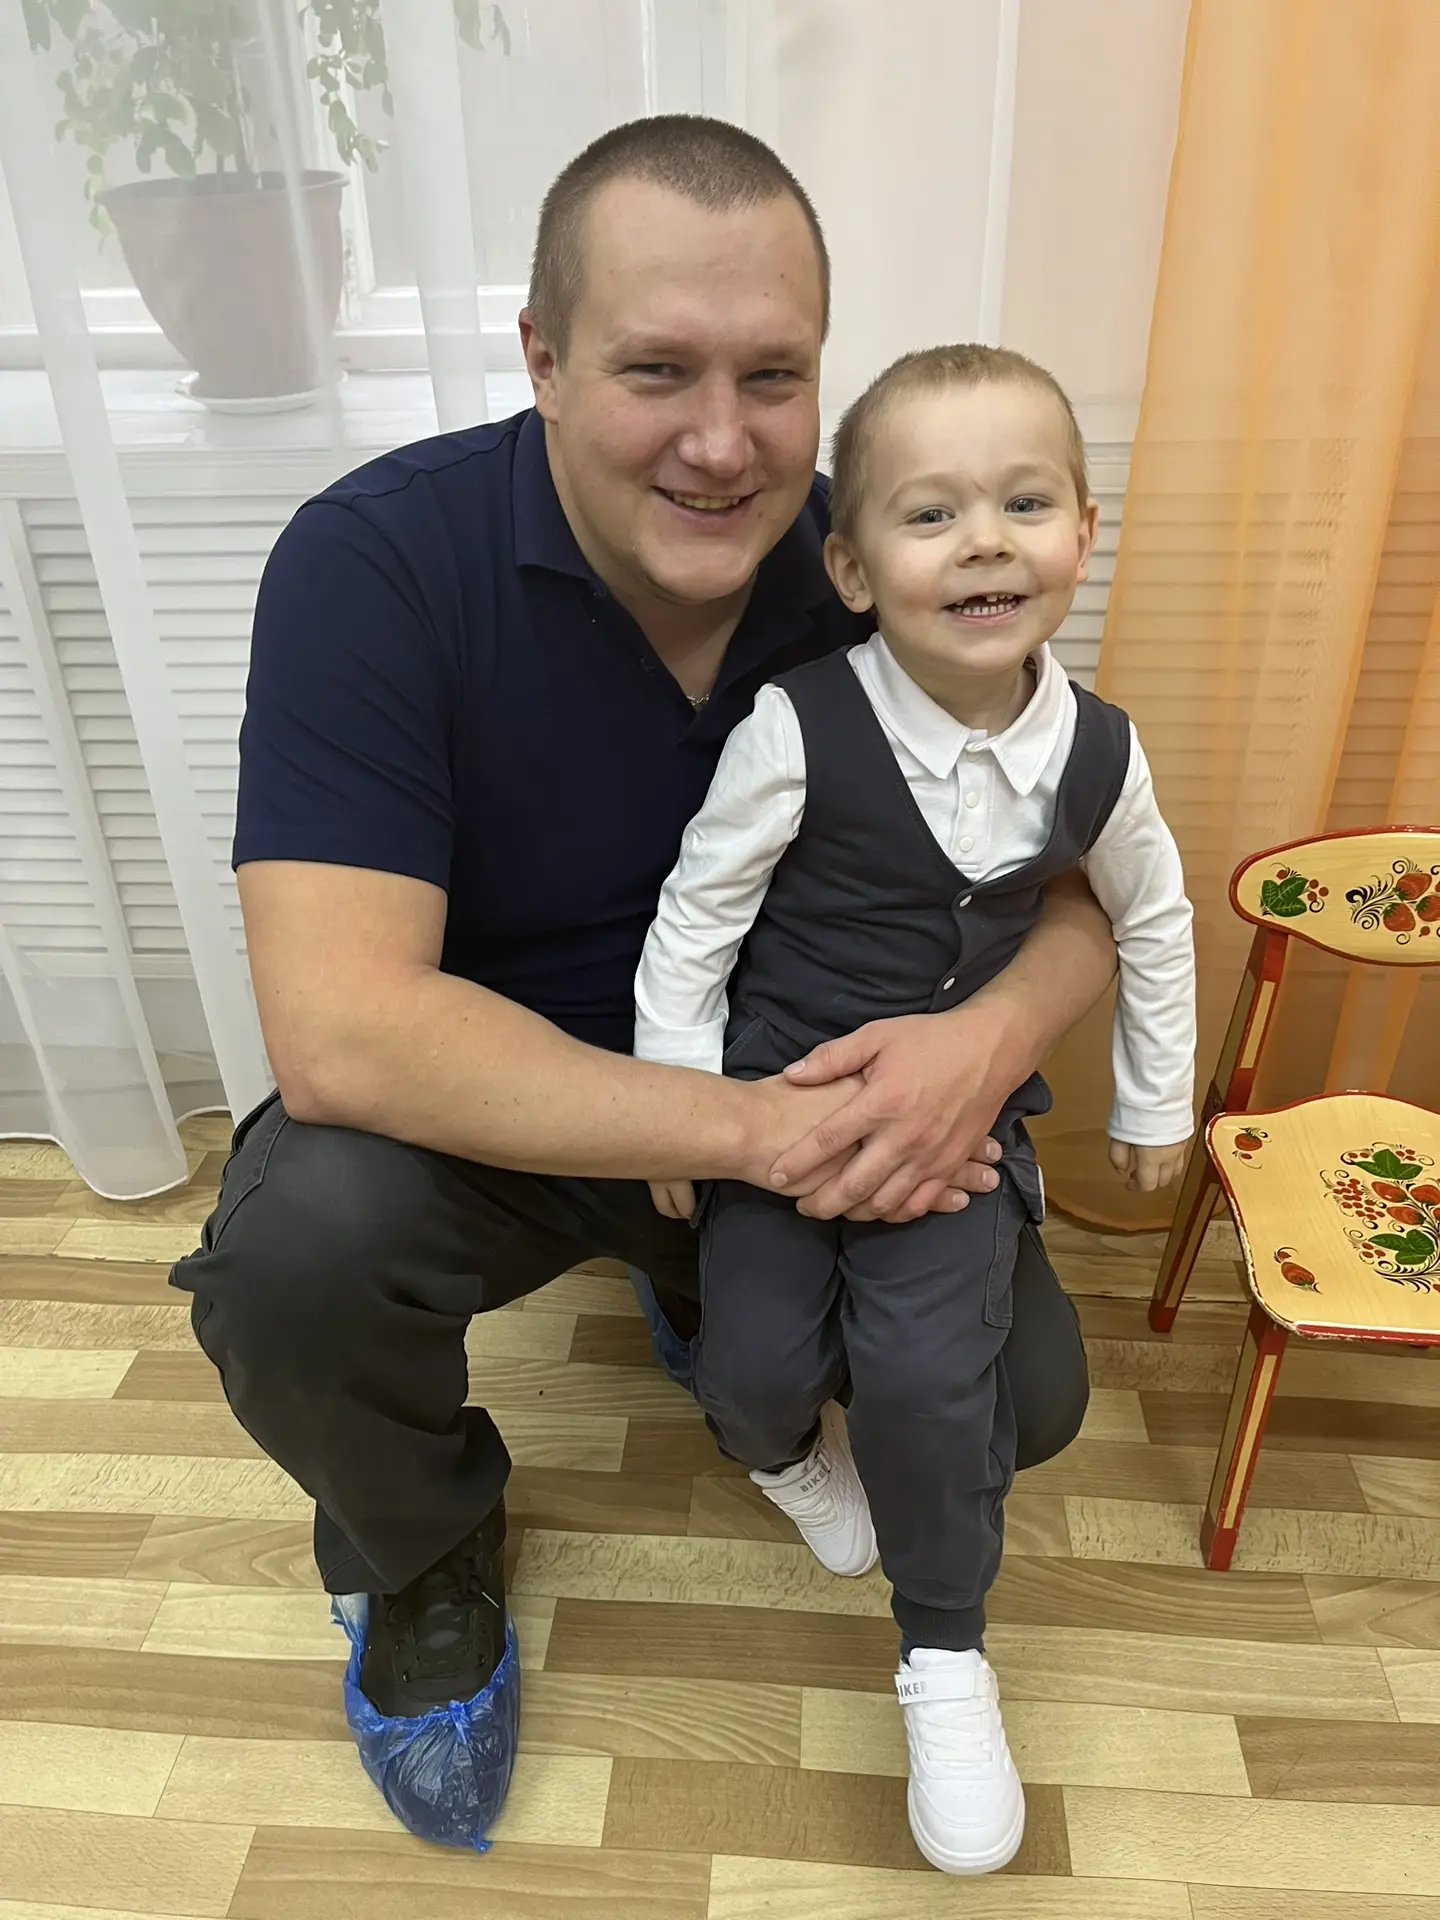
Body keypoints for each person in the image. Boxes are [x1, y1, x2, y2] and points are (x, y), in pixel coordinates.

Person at [170, 117, 1118, 1835]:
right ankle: (423, 1543)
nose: (722, 441)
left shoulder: (882, 560)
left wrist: (982, 1046)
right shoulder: (376, 566)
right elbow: (343, 1029)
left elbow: (1081, 897)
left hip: (807, 1098)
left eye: (774, 376)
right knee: (295, 1264)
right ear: (541, 357)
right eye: (656, 369)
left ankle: (708, 1296)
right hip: (519, 1117)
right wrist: (745, 1135)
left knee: (1026, 1397)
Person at [635, 344, 1196, 1875]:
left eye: (1025, 504)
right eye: (932, 514)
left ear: (1084, 530)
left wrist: (1156, 1100)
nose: (985, 543)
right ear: (853, 567)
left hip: (954, 1141)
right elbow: (697, 918)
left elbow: (1150, 916)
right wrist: (680, 1111)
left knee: (933, 1376)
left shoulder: (1100, 751)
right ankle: (786, 1461)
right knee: (751, 1369)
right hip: (787, 1117)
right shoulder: (795, 725)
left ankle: (944, 1651)